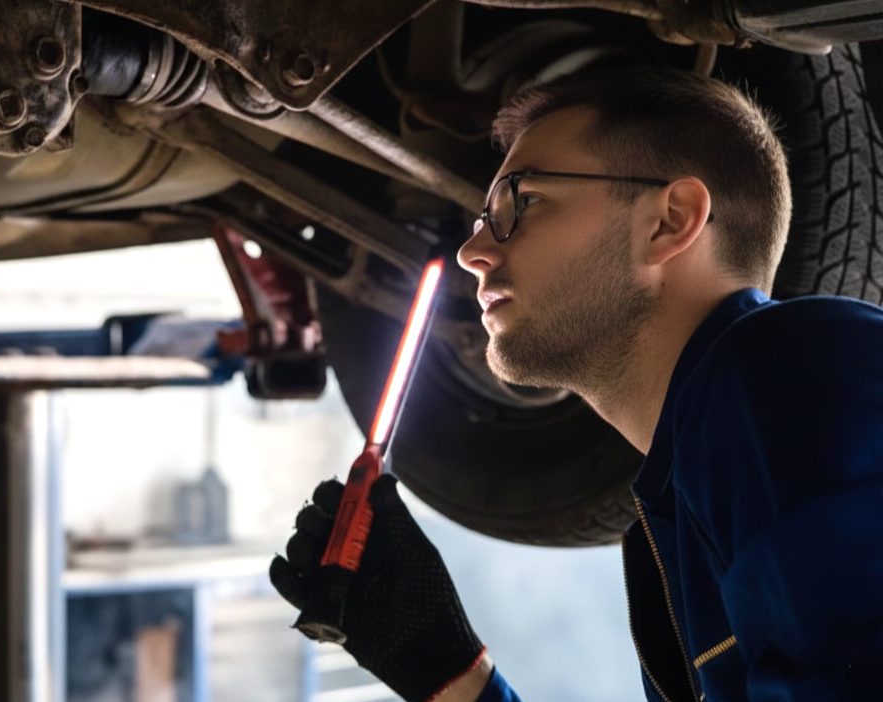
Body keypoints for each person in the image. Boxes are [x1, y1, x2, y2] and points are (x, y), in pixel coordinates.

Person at [270, 66, 883, 702]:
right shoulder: (681, 510)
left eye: (524, 201)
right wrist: (445, 670)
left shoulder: (792, 372)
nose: (471, 253)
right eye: (484, 218)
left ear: (670, 221)